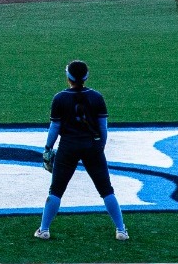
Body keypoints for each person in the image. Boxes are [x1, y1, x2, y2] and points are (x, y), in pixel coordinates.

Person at [35, 59, 129, 242]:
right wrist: (99, 147)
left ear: (68, 76)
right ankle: (121, 230)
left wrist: (47, 148)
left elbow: (55, 127)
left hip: (68, 147)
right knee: (106, 189)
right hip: (92, 145)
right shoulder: (97, 97)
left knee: (56, 190)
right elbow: (103, 128)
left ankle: (44, 229)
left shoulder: (60, 98)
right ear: (86, 76)